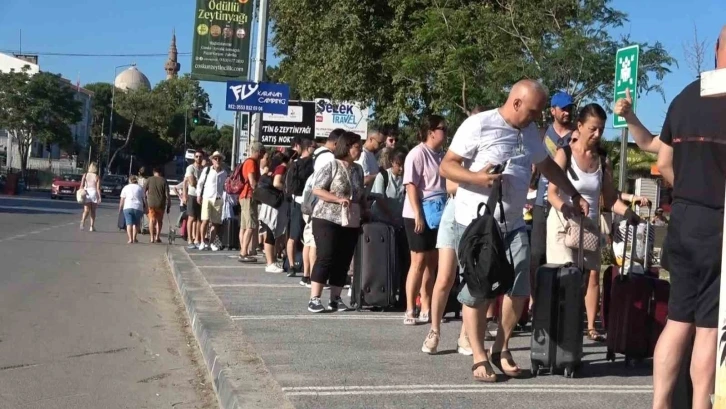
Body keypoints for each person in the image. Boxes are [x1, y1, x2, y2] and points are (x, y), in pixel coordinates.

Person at [439, 79, 589, 382]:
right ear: (516, 103)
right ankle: (479, 356)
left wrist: (573, 193)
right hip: (477, 223)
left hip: (514, 222)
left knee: (520, 286)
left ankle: (501, 348)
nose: (535, 118)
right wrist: (476, 178)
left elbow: (546, 166)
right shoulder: (478, 125)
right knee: (479, 290)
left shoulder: (530, 131)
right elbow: (447, 166)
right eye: (532, 112)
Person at [618, 26, 726, 409]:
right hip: (717, 226)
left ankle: (660, 403)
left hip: (682, 219)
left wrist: (690, 190)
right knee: (709, 328)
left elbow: (661, 160)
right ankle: (700, 403)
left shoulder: (684, 98)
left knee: (678, 321)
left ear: (716, 50)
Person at [546, 103, 642, 342]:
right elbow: (552, 194)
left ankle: (583, 330)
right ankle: (560, 332)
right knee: (565, 277)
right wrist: (568, 208)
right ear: (579, 126)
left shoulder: (602, 159)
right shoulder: (564, 154)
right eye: (592, 129)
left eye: (601, 129)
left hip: (589, 227)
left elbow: (610, 199)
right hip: (563, 225)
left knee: (589, 276)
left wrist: (629, 213)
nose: (597, 135)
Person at [307, 132, 366, 313]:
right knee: (326, 255)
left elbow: (360, 193)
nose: (360, 150)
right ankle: (314, 298)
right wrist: (337, 199)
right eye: (357, 147)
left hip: (350, 219)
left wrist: (365, 209)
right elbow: (317, 189)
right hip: (326, 217)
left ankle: (336, 298)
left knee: (344, 258)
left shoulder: (358, 169)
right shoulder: (331, 165)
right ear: (347, 147)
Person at [402, 115, 448, 325]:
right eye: (442, 129)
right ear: (431, 132)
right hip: (417, 214)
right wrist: (418, 213)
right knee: (418, 261)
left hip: (438, 213)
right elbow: (411, 185)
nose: (445, 133)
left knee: (432, 261)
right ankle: (410, 307)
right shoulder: (417, 153)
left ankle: (426, 306)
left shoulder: (442, 156)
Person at [530, 92, 576, 289]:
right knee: (536, 254)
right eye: (563, 108)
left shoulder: (576, 136)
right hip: (542, 201)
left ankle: (561, 297)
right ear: (552, 110)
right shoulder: (541, 135)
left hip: (567, 202)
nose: (567, 112)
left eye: (569, 108)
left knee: (564, 254)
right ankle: (534, 298)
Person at [299, 130, 342, 287]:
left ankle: (307, 275)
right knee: (315, 244)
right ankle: (312, 277)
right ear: (336, 143)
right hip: (317, 203)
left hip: (308, 200)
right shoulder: (329, 157)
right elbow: (324, 183)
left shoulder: (317, 153)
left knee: (309, 241)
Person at [286, 138, 316, 278]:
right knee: (295, 236)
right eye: (313, 147)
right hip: (299, 202)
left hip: (305, 202)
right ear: (307, 148)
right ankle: (291, 265)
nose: (315, 149)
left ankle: (303, 270)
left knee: (306, 238)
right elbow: (291, 186)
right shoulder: (297, 164)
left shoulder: (314, 163)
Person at [197, 151, 228, 251]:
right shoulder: (207, 170)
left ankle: (211, 243)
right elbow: (200, 183)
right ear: (212, 160)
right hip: (207, 197)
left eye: (219, 158)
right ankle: (202, 241)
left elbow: (225, 187)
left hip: (218, 199)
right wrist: (198, 195)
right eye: (215, 158)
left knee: (215, 223)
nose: (217, 160)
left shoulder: (224, 173)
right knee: (205, 220)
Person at [239, 143, 265, 262]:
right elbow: (252, 181)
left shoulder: (248, 162)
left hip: (244, 196)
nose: (263, 155)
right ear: (258, 152)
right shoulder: (251, 163)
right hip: (248, 196)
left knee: (245, 226)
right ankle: (244, 252)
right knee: (251, 225)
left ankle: (244, 250)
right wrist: (259, 193)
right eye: (263, 152)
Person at [370, 149, 405, 227]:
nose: (401, 169)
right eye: (399, 165)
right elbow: (379, 199)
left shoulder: (406, 177)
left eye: (404, 165)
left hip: (398, 222)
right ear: (392, 162)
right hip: (380, 221)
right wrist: (391, 216)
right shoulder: (383, 176)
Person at [184, 150, 205, 249]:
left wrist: (199, 182)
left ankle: (197, 239)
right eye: (196, 156)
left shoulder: (204, 169)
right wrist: (184, 195)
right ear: (194, 158)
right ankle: (189, 239)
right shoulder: (190, 168)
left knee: (200, 219)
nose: (198, 158)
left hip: (202, 195)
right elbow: (191, 182)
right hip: (192, 194)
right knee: (191, 218)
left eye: (200, 156)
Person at [145, 167, 170, 244]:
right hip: (161, 204)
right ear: (161, 173)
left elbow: (144, 190)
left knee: (151, 220)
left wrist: (144, 200)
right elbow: (167, 195)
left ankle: (152, 238)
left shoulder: (149, 179)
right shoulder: (164, 181)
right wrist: (169, 204)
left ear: (154, 172)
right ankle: (157, 237)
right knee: (159, 221)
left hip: (151, 203)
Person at [119, 175, 145, 244]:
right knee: (136, 224)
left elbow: (122, 199)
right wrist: (146, 207)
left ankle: (130, 239)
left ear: (129, 180)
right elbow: (144, 198)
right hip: (138, 207)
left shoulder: (126, 187)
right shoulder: (140, 188)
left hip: (127, 206)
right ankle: (134, 238)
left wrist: (120, 207)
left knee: (129, 223)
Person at [79, 162, 101, 232]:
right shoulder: (97, 176)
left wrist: (81, 192)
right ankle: (91, 226)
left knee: (86, 210)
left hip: (87, 193)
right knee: (93, 211)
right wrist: (99, 197)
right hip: (94, 193)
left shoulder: (85, 175)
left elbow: (81, 185)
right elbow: (98, 188)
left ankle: (83, 221)